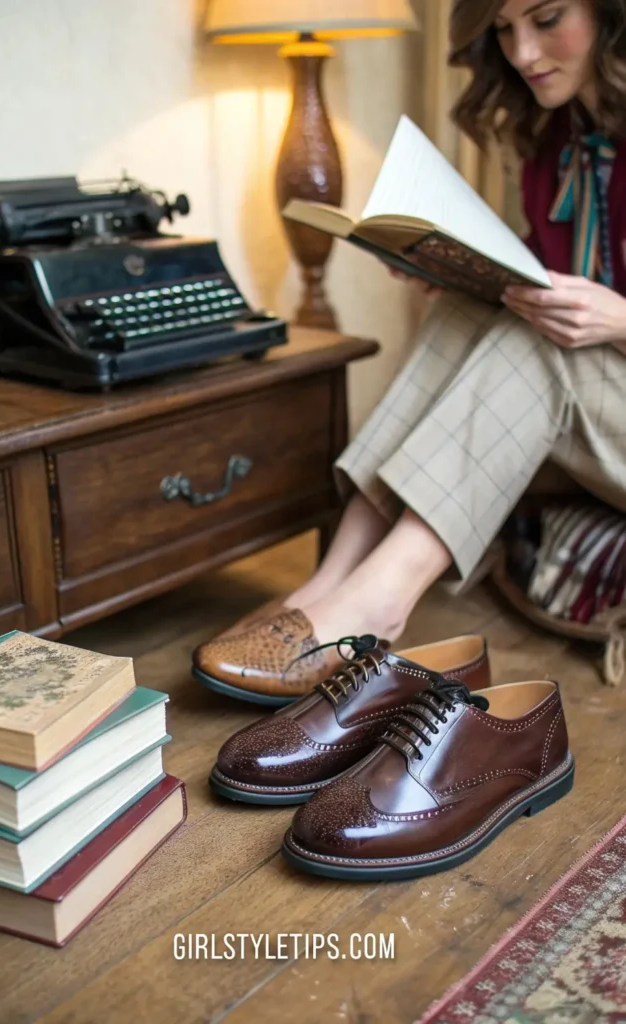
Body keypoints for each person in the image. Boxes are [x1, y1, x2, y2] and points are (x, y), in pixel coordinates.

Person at [192, 0, 626, 704]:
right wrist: (453, 266)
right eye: (502, 30)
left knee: (531, 342)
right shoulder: (554, 141)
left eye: (545, 19)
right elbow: (547, 286)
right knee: (466, 311)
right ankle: (330, 584)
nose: (520, 52)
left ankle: (380, 602)